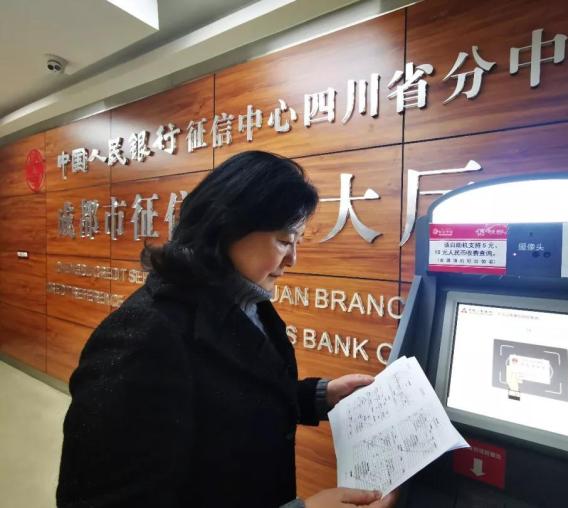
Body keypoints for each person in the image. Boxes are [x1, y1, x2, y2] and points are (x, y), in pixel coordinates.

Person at [57, 151, 397, 508]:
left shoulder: (247, 302)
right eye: (284, 241)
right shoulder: (142, 338)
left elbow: (224, 405)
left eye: (297, 242)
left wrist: (320, 397)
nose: (292, 260)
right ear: (228, 226)